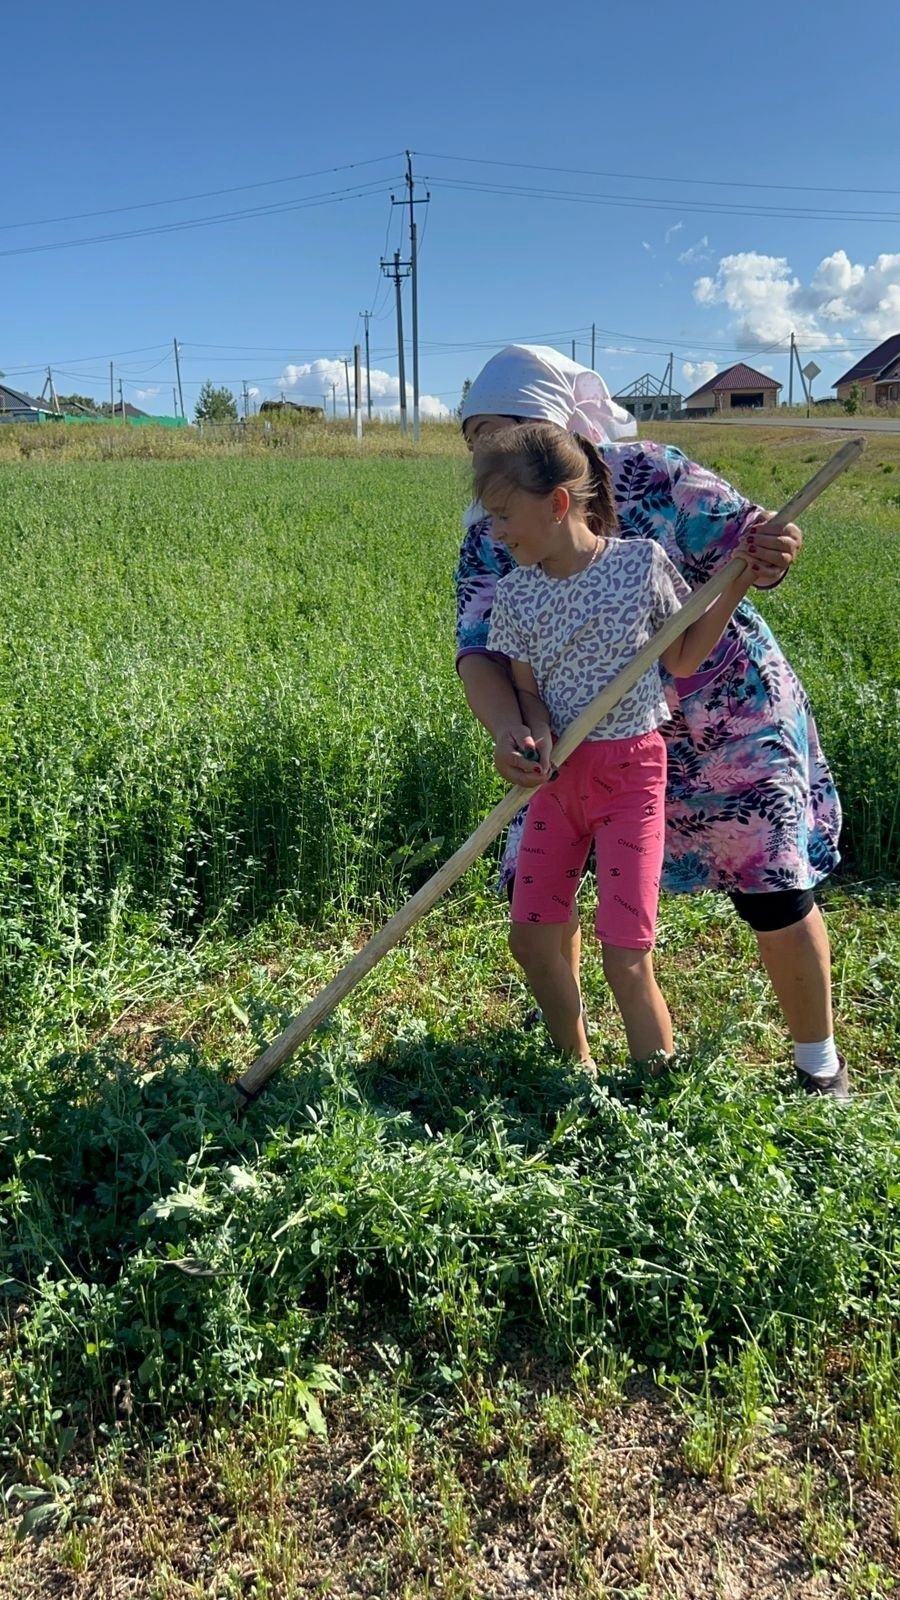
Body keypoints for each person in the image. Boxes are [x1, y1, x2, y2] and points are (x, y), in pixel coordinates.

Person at [456, 345, 848, 1100]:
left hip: (722, 716)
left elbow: (750, 542)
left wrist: (771, 548)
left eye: (496, 431)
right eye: (472, 438)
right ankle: (575, 1064)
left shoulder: (650, 474)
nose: (483, 454)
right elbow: (480, 648)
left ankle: (818, 1064)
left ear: (552, 428)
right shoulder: (492, 529)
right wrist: (511, 727)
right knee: (541, 902)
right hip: (577, 743)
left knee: (769, 882)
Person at [475, 421, 766, 1075]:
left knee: (624, 953)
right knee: (531, 938)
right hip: (557, 780)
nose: (495, 533)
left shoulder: (639, 566)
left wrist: (737, 580)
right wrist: (532, 733)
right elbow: (527, 694)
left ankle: (655, 1094)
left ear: (556, 504)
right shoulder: (517, 592)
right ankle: (575, 1069)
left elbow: (685, 654)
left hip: (630, 773)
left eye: (503, 516)